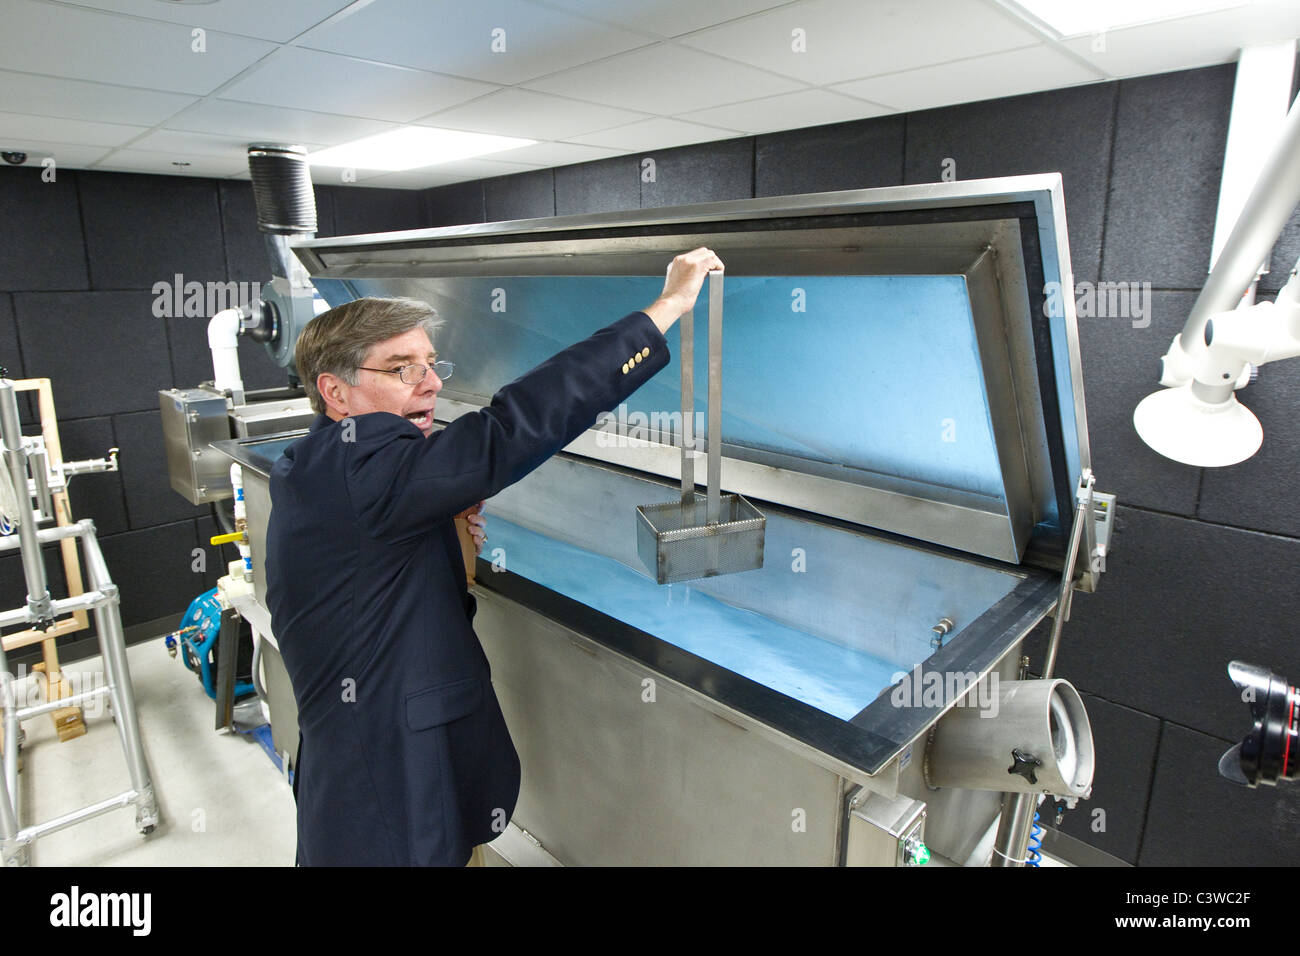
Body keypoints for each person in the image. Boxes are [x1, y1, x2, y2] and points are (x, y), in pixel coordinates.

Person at [265, 247, 725, 866]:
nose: (430, 383)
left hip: (374, 773)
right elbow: (515, 425)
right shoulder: (365, 468)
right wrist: (668, 307)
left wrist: (448, 524)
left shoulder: (325, 464)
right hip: (391, 793)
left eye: (431, 363)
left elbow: (419, 581)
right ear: (335, 393)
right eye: (401, 368)